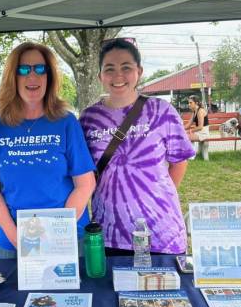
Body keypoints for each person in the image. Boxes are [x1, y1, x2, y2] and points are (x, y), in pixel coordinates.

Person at [0, 42, 96, 259]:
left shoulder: (66, 122)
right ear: (13, 76)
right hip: (12, 242)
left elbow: (85, 183)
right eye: (24, 69)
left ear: (49, 76)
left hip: (66, 239)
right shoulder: (0, 125)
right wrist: (16, 237)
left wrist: (57, 233)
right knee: (9, 295)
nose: (33, 76)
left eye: (40, 69)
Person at [79, 38, 195, 256]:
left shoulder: (161, 111)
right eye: (110, 69)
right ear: (100, 76)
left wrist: (155, 198)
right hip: (109, 231)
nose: (118, 76)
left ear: (139, 71)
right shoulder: (88, 118)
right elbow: (82, 173)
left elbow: (179, 162)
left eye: (126, 67)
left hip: (161, 231)